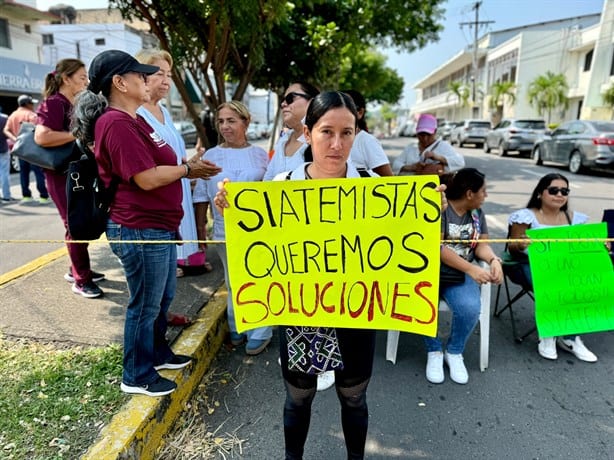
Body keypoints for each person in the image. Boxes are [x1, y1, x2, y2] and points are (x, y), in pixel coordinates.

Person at [214, 91, 379, 459]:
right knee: (298, 396)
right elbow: (255, 244)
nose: (337, 144)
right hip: (301, 311)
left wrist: (432, 206)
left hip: (358, 311)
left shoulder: (373, 189)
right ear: (307, 133)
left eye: (347, 133)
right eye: (326, 132)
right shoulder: (282, 186)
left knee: (354, 398)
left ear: (357, 134)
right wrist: (231, 207)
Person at [71, 49, 217, 396]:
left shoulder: (134, 119)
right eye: (139, 74)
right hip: (138, 226)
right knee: (145, 303)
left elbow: (159, 164)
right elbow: (146, 179)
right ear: (119, 82)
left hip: (158, 225)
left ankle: (156, 353)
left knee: (162, 296)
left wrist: (187, 165)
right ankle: (135, 373)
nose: (147, 78)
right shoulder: (116, 122)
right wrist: (187, 169)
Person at [192, 101, 272, 356]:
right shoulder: (212, 156)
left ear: (246, 123)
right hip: (225, 231)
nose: (225, 126)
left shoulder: (260, 154)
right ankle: (238, 326)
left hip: (258, 231)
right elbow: (202, 195)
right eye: (221, 121)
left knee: (259, 279)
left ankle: (260, 331)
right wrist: (200, 231)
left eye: (231, 121)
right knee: (233, 280)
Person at [135, 49, 217, 292]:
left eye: (169, 75)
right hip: (159, 185)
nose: (166, 81)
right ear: (141, 75)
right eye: (159, 74)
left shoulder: (164, 111)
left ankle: (185, 259)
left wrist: (194, 166)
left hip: (178, 182)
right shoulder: (136, 113)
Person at [33, 60, 105, 298]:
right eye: (82, 77)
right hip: (60, 175)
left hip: (75, 172)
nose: (86, 81)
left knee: (81, 220)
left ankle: (77, 268)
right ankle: (81, 279)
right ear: (66, 78)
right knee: (74, 223)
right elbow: (42, 137)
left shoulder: (71, 102)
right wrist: (77, 133)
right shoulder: (54, 103)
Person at [507, 173, 597, 362]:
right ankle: (549, 333)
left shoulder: (575, 219)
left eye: (564, 191)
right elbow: (512, 246)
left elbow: (583, 249)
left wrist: (599, 246)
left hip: (564, 267)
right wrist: (521, 244)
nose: (559, 195)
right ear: (540, 193)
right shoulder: (526, 216)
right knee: (553, 283)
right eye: (554, 190)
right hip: (525, 264)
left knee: (584, 281)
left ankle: (571, 337)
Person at [426, 168, 502, 385]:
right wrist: (472, 269)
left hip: (458, 275)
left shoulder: (477, 214)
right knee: (422, 304)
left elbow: (482, 245)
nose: (485, 196)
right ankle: (434, 351)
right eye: (483, 191)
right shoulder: (439, 208)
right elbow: (436, 248)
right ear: (470, 193)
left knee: (469, 308)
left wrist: (493, 260)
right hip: (430, 272)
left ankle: (454, 351)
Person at [263, 82, 319, 181]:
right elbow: (268, 180)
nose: (283, 104)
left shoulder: (323, 141)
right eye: (283, 100)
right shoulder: (283, 140)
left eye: (290, 98)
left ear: (311, 102)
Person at [3, 95, 50, 204]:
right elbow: (38, 129)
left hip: (20, 149)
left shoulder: (12, 115)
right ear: (27, 104)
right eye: (31, 103)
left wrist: (15, 139)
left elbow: (6, 130)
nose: (33, 105)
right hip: (32, 149)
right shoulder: (31, 115)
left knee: (23, 172)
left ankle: (26, 196)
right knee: (38, 172)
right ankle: (43, 196)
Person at [342, 89, 394, 176]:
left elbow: (388, 179)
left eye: (346, 107)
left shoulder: (367, 141)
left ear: (360, 112)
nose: (339, 112)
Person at [393, 113, 465, 175]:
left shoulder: (443, 146)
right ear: (417, 132)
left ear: (435, 131)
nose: (425, 138)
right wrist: (413, 167)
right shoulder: (411, 147)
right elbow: (396, 165)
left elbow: (460, 162)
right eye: (422, 135)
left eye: (428, 134)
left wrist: (438, 158)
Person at [0, 106, 11, 202]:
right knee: (4, 174)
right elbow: (8, 133)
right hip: (3, 148)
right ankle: (6, 196)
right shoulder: (4, 118)